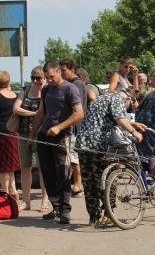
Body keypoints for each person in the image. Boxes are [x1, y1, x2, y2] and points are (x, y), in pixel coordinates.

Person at [75, 90, 143, 227]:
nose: (125, 109)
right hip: (98, 144)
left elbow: (108, 120)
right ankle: (108, 214)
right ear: (127, 99)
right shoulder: (117, 99)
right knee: (107, 178)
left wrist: (133, 124)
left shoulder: (101, 99)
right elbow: (120, 119)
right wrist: (134, 132)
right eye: (127, 106)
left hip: (82, 143)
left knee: (89, 183)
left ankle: (94, 217)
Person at [30, 61, 84, 224]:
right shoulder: (46, 89)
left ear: (59, 72)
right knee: (47, 173)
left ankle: (65, 210)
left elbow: (79, 114)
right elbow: (41, 113)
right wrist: (33, 133)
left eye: (51, 77)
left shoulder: (70, 88)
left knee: (62, 172)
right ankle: (56, 207)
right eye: (46, 78)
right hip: (44, 136)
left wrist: (59, 127)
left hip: (62, 136)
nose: (49, 80)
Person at [13, 66, 49, 212]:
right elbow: (16, 109)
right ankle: (26, 201)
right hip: (23, 134)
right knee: (25, 168)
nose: (35, 81)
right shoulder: (25, 90)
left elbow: (46, 113)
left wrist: (28, 112)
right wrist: (34, 113)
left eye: (38, 78)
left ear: (44, 78)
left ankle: (44, 201)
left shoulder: (47, 91)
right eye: (33, 77)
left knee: (43, 169)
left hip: (41, 135)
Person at [60, 59, 87, 198]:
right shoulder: (72, 84)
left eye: (63, 70)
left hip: (75, 127)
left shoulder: (76, 84)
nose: (61, 73)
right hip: (73, 126)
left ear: (72, 69)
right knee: (71, 157)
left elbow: (78, 108)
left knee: (74, 157)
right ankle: (74, 184)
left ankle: (78, 185)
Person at [0, 71, 20, 203]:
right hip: (14, 134)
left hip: (1, 134)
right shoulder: (15, 96)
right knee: (11, 168)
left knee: (2, 169)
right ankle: (13, 194)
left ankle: (5, 196)